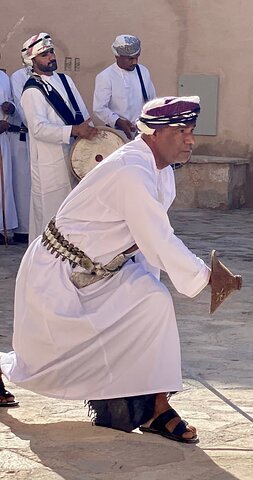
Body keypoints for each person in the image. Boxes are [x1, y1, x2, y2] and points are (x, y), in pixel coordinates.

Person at [1, 95, 213, 442]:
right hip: (59, 273)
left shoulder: (160, 172)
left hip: (106, 271)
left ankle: (157, 408)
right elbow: (158, 238)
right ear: (156, 134)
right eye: (184, 131)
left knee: (153, 303)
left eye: (192, 131)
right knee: (41, 361)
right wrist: (204, 275)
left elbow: (147, 241)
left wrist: (152, 279)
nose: (191, 139)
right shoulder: (132, 170)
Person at [20, 33, 97, 240]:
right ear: (32, 61)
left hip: (74, 155)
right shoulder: (32, 91)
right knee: (51, 215)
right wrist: (73, 131)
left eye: (51, 52)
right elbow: (38, 129)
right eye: (44, 54)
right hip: (50, 162)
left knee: (75, 211)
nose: (51, 57)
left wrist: (87, 130)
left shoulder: (65, 80)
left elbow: (80, 112)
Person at [94, 35, 156, 140]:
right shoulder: (106, 76)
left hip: (142, 133)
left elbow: (152, 101)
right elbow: (99, 108)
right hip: (117, 134)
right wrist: (118, 122)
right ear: (117, 56)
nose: (135, 62)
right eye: (130, 58)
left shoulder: (143, 71)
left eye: (137, 57)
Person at [8, 49, 32, 244]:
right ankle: (22, 230)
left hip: (42, 136)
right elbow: (20, 103)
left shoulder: (57, 78)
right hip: (21, 135)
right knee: (22, 183)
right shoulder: (18, 77)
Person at [0, 65, 19, 243]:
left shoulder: (4, 78)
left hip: (2, 139)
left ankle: (2, 228)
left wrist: (10, 108)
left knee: (3, 185)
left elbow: (12, 102)